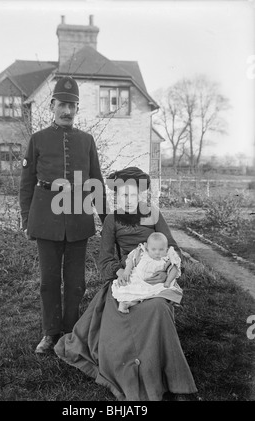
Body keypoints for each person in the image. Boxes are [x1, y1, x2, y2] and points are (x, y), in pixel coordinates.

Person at [55, 167, 198, 401]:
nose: (127, 200)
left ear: (141, 195)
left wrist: (165, 274)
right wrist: (119, 270)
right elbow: (105, 258)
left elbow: (173, 248)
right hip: (127, 277)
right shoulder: (112, 220)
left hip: (156, 276)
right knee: (118, 322)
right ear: (116, 197)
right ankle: (128, 371)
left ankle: (175, 381)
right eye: (122, 196)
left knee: (159, 308)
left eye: (132, 195)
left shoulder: (153, 214)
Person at [19, 76, 107, 353]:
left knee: (76, 282)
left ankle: (70, 332)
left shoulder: (87, 140)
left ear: (78, 109)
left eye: (73, 105)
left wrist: (107, 221)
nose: (67, 111)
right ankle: (49, 333)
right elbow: (26, 183)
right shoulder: (38, 139)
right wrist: (25, 219)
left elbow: (96, 181)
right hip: (46, 218)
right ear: (52, 106)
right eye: (62, 105)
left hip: (78, 217)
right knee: (48, 282)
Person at [112, 232, 183, 313]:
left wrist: (168, 281)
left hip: (155, 283)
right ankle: (126, 303)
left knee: (158, 293)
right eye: (154, 249)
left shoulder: (167, 257)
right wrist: (127, 271)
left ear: (166, 249)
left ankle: (133, 304)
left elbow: (175, 269)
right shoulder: (143, 253)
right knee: (132, 291)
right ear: (148, 248)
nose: (157, 252)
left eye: (161, 249)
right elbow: (131, 260)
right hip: (138, 279)